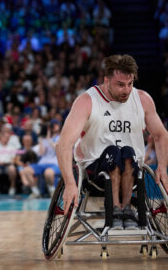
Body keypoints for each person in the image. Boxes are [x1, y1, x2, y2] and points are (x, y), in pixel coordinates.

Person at [58, 55, 168, 230]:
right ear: (106, 80)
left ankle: (125, 209)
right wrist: (70, 183)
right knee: (113, 152)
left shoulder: (143, 99)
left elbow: (161, 135)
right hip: (94, 172)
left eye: (130, 84)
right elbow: (64, 144)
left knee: (127, 152)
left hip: (131, 170)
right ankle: (116, 208)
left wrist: (162, 167)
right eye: (120, 84)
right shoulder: (87, 101)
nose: (126, 90)